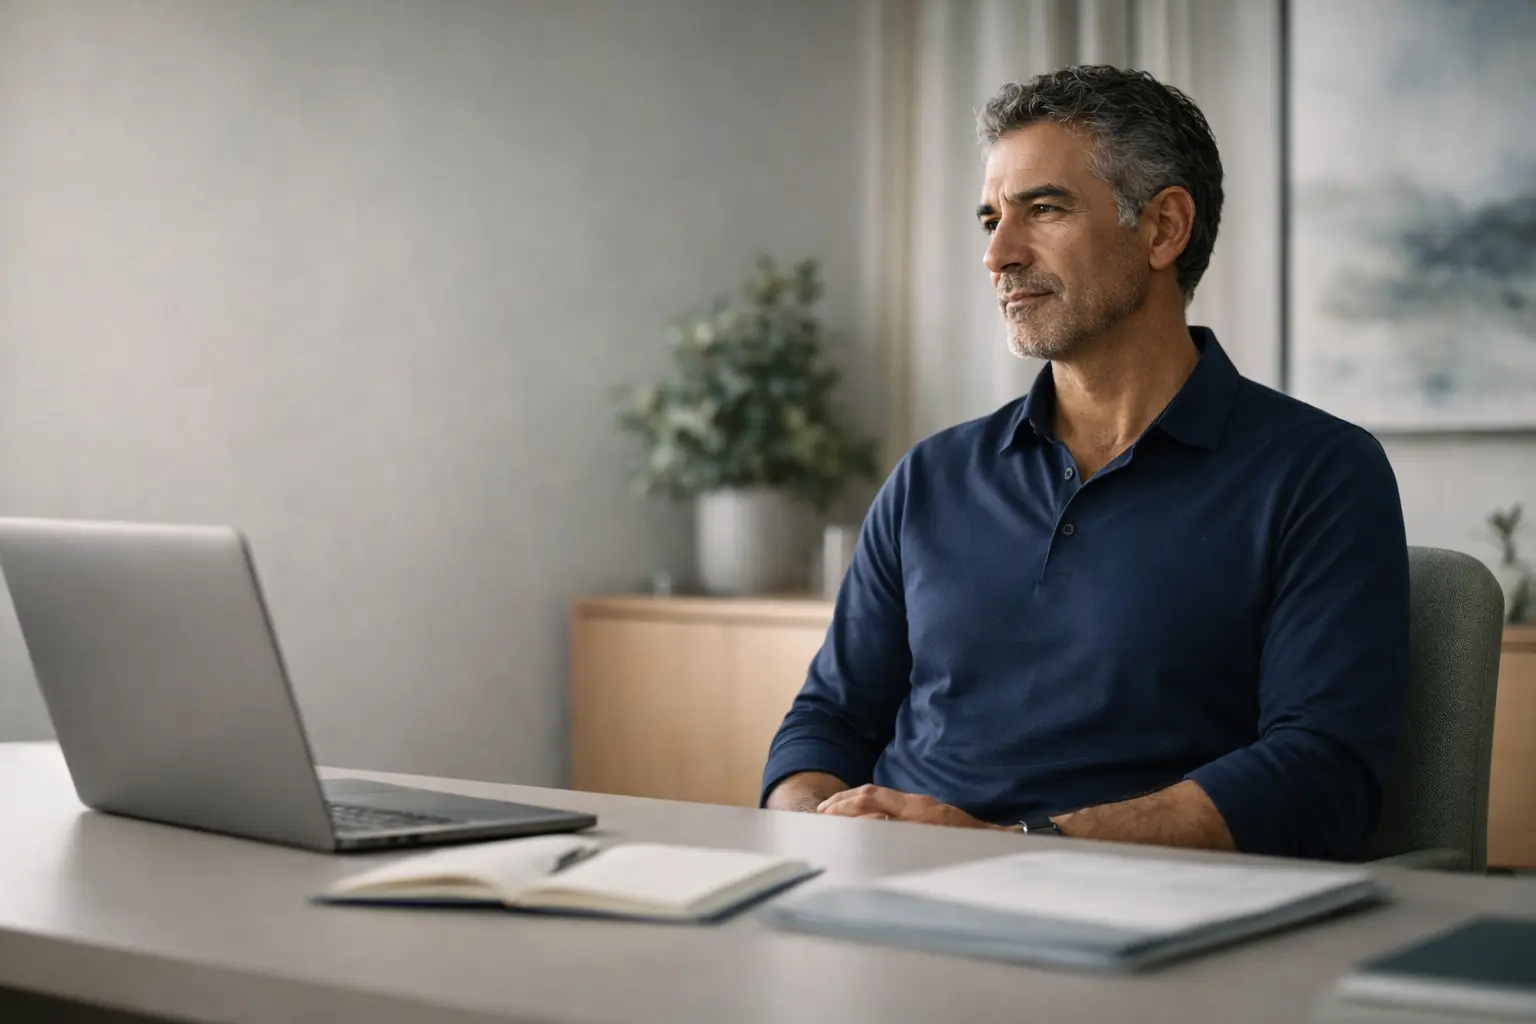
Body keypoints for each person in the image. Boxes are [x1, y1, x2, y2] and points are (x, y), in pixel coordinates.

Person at [761, 66, 1410, 861]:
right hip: (888, 888)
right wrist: (817, 827)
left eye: (1044, 209)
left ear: (1163, 228)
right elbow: (828, 723)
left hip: (1135, 906)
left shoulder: (1319, 473)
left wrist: (1011, 848)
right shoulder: (929, 477)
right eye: (991, 218)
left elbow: (1322, 774)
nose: (998, 254)